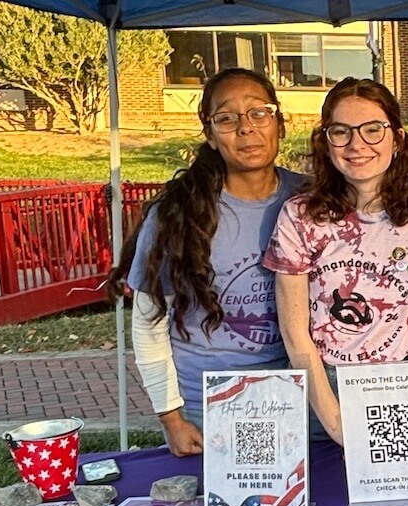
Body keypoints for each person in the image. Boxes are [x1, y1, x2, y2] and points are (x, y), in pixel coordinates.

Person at [113, 68, 305, 457]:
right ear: (211, 135)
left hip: (299, 400)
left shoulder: (311, 199)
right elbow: (149, 323)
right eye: (227, 118)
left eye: (258, 113)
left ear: (279, 124)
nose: (245, 129)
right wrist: (172, 419)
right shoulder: (178, 213)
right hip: (210, 408)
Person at [264, 78, 408, 446]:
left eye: (373, 130)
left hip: (397, 386)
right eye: (341, 131)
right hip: (321, 386)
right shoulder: (300, 217)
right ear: (326, 141)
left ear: (397, 139)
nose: (357, 145)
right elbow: (295, 332)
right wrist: (334, 420)